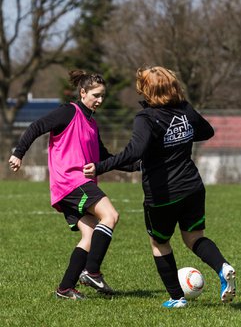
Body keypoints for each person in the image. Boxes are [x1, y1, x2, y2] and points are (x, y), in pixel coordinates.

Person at [83, 65, 236, 308]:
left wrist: (101, 166)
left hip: (164, 194)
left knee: (159, 243)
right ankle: (223, 266)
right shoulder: (184, 109)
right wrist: (178, 136)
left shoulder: (146, 117)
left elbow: (135, 151)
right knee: (194, 237)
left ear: (147, 90)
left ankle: (177, 299)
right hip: (193, 187)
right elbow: (206, 131)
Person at [9, 69, 138, 300]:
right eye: (96, 95)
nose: (100, 100)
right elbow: (36, 127)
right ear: (83, 92)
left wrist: (139, 166)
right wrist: (19, 153)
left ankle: (65, 288)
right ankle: (92, 271)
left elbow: (105, 157)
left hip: (71, 187)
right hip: (71, 182)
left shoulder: (92, 123)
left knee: (89, 235)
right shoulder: (69, 111)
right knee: (110, 216)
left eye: (102, 96)